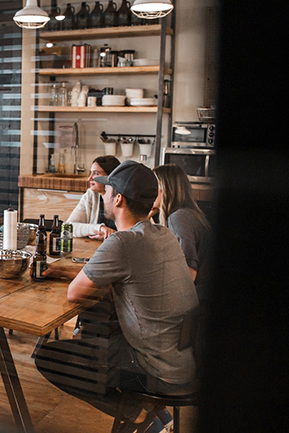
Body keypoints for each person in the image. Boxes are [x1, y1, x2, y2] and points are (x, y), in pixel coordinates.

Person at [34, 161, 199, 433]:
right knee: (100, 327)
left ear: (118, 199)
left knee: (49, 357)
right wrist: (62, 269)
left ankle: (139, 416)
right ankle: (156, 415)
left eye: (108, 189)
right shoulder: (163, 233)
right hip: (181, 360)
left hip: (155, 371)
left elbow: (75, 293)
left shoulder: (122, 242)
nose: (104, 193)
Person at [152, 164, 213, 304]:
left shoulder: (179, 218)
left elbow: (188, 273)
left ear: (164, 188)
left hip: (196, 301)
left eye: (152, 185)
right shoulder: (188, 213)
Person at [66, 155, 120, 239]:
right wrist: (99, 228)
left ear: (110, 177)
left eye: (96, 173)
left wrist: (110, 236)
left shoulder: (123, 198)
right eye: (90, 173)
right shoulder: (91, 195)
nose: (89, 178)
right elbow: (68, 227)